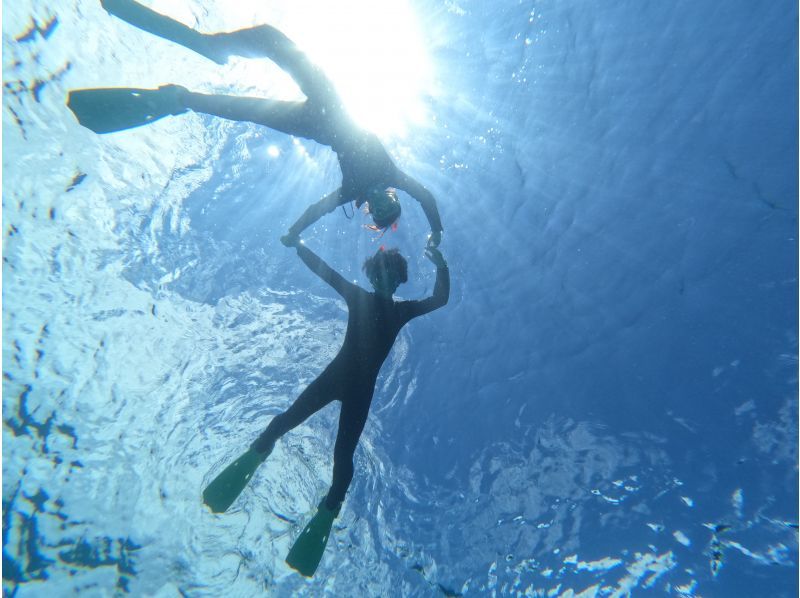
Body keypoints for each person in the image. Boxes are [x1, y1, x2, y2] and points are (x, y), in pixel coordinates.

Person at [81, 0, 444, 246]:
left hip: (314, 126)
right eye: (389, 205)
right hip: (332, 101)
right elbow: (426, 197)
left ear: (371, 210)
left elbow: (315, 210)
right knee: (271, 38)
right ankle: (212, 48)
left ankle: (181, 99)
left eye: (379, 211)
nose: (381, 203)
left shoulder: (352, 191)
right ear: (394, 197)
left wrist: (293, 233)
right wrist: (436, 233)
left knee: (244, 109)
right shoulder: (392, 173)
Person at [203, 239, 449, 575]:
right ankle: (257, 452)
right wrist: (298, 245)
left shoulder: (400, 312)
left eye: (389, 274)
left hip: (359, 392)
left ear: (398, 280)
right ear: (373, 276)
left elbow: (440, 299)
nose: (382, 279)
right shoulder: (359, 297)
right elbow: (327, 273)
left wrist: (441, 264)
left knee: (342, 458)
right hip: (336, 379)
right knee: (285, 421)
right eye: (379, 272)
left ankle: (330, 507)